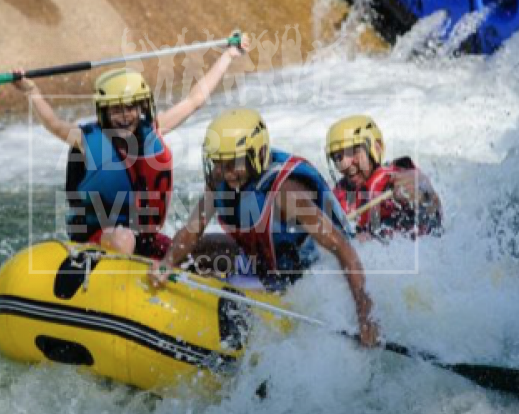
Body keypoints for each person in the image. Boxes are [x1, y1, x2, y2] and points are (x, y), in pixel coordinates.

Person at [149, 108, 380, 346]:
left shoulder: (288, 193)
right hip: (268, 263)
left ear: (257, 154)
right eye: (219, 163)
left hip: (310, 277)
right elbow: (192, 229)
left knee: (230, 289)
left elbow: (343, 249)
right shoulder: (221, 176)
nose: (225, 173)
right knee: (200, 247)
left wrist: (365, 316)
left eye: (232, 164)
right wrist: (167, 263)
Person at [12, 33, 250, 258]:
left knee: (216, 247)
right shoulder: (87, 140)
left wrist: (228, 55)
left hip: (143, 238)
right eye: (117, 110)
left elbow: (195, 100)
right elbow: (53, 123)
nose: (125, 116)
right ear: (104, 112)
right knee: (124, 240)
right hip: (98, 238)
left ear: (141, 108)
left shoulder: (153, 131)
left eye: (131, 108)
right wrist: (31, 90)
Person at [325, 115, 442, 240]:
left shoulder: (395, 177)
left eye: (353, 152)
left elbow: (419, 184)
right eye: (338, 157)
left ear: (376, 148)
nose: (345, 164)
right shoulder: (339, 193)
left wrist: (422, 191)